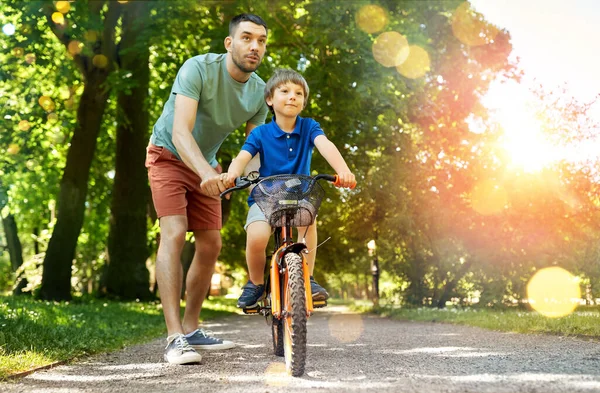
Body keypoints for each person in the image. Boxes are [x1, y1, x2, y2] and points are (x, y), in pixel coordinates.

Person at [145, 13, 269, 365]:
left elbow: (253, 149)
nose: (255, 46)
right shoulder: (197, 69)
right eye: (247, 38)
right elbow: (182, 132)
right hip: (168, 155)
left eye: (261, 41)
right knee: (174, 232)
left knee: (212, 243)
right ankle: (173, 338)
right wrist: (206, 174)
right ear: (230, 43)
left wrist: (253, 180)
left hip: (208, 165)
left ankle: (191, 328)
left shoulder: (260, 92)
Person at [225, 68, 356, 309]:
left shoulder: (309, 127)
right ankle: (255, 283)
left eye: (298, 93)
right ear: (270, 100)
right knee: (257, 236)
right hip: (265, 198)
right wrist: (232, 173)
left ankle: (308, 277)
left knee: (309, 220)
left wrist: (343, 170)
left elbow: (324, 145)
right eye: (284, 91)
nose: (292, 96)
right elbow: (243, 157)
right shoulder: (260, 133)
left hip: (298, 197)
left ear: (304, 102)